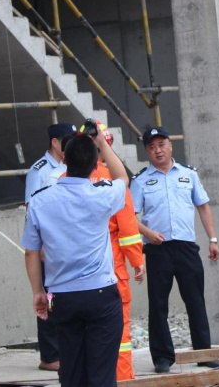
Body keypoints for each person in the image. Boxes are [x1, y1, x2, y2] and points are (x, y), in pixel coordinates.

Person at [21, 134, 127, 387]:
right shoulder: (102, 194)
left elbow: (31, 252)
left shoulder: (40, 199)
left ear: (64, 160)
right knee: (102, 373)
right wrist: (103, 144)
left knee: (70, 371)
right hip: (101, 295)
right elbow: (123, 177)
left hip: (62, 297)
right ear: (94, 165)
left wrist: (38, 292)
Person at [129, 126, 219, 373]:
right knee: (158, 304)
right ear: (147, 151)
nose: (157, 150)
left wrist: (213, 238)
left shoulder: (188, 174)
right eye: (151, 147)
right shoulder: (140, 180)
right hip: (158, 250)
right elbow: (131, 216)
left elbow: (203, 206)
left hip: (186, 248)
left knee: (195, 301)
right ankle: (162, 357)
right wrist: (147, 233)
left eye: (161, 145)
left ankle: (203, 352)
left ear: (170, 145)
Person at [69, 119, 146, 380]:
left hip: (71, 280)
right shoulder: (112, 183)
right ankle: (121, 380)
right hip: (110, 274)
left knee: (78, 341)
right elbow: (126, 228)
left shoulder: (59, 182)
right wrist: (137, 260)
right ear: (104, 146)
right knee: (118, 338)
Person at [23, 122, 77, 372]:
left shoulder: (70, 166)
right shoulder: (41, 170)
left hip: (65, 243)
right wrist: (41, 245)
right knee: (46, 298)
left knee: (64, 298)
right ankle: (49, 356)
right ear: (55, 142)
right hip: (48, 245)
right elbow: (32, 208)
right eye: (67, 140)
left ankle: (62, 352)